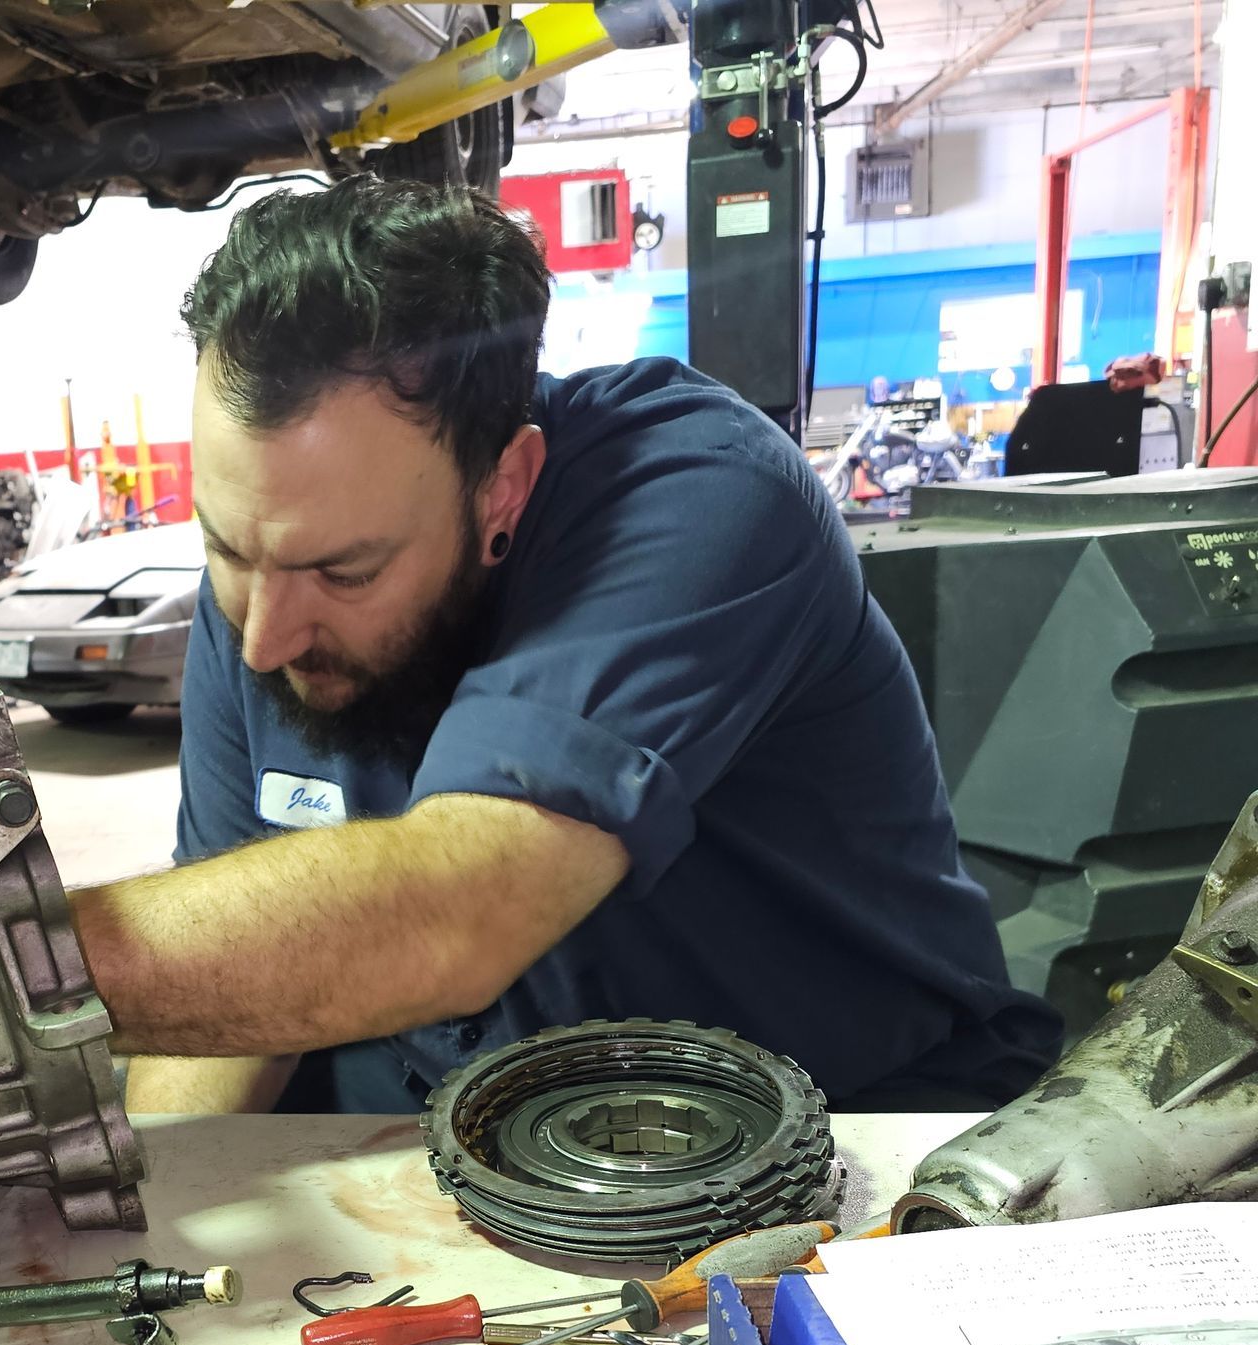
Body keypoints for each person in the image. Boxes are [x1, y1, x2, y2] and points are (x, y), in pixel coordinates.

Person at [68, 176, 1061, 1116]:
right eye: (227, 549)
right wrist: (154, 1208)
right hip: (464, 1150)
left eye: (347, 572)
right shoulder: (274, 582)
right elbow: (237, 993)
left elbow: (455, 914)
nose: (262, 640)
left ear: (502, 488)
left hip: (845, 1131)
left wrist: (11, 974)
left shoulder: (700, 496)